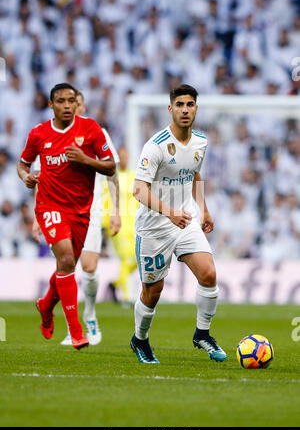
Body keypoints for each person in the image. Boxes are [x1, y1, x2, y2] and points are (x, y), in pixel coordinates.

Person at [131, 83, 227, 364]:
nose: (185, 110)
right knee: (153, 291)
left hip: (185, 219)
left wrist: (204, 209)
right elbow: (138, 189)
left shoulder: (200, 142)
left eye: (190, 105)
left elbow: (193, 173)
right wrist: (169, 211)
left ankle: (202, 334)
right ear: (170, 108)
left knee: (209, 274)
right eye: (180, 105)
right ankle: (140, 339)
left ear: (196, 108)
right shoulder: (156, 145)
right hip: (154, 227)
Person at [17, 83, 116, 350]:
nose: (67, 105)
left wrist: (86, 160)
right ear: (51, 105)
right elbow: (23, 163)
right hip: (49, 206)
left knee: (67, 266)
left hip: (82, 210)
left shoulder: (91, 129)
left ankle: (46, 305)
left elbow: (111, 167)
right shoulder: (38, 134)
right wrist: (27, 176)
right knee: (65, 257)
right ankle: (76, 331)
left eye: (71, 100)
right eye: (61, 101)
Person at [102, 145, 138, 306]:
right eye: (121, 156)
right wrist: (106, 223)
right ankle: (126, 298)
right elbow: (105, 201)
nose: (123, 159)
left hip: (133, 226)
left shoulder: (134, 176)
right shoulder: (110, 177)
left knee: (137, 259)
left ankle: (115, 285)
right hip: (118, 226)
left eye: (125, 155)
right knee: (126, 258)